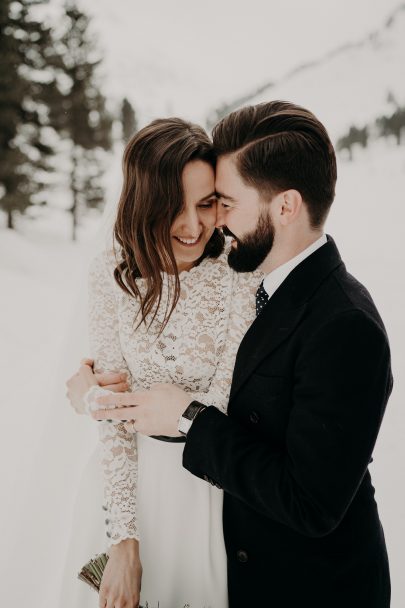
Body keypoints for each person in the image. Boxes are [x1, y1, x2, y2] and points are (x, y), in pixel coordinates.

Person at [90, 101, 393, 608]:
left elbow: (311, 503)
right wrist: (89, 387)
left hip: (314, 588)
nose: (217, 223)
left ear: (285, 206)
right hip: (234, 554)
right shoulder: (268, 280)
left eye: (224, 202)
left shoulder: (346, 326)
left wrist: (186, 416)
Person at [66, 116, 264, 608]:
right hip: (123, 492)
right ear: (143, 203)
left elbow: (227, 396)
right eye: (174, 207)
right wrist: (123, 542)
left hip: (207, 494)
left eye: (205, 204)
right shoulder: (110, 272)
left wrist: (112, 401)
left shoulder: (239, 273)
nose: (193, 226)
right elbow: (111, 416)